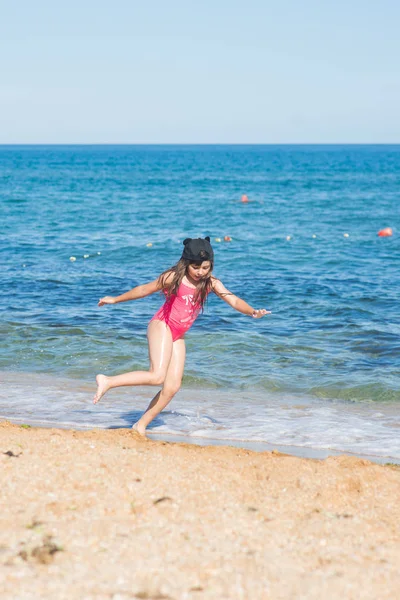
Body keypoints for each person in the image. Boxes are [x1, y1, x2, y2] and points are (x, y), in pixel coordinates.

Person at [94, 237, 270, 436]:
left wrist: (252, 312)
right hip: (162, 325)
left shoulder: (211, 283)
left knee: (172, 387)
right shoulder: (174, 277)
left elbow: (233, 299)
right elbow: (144, 289)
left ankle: (139, 426)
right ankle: (107, 381)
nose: (200, 272)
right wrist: (115, 299)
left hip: (178, 335)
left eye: (205, 267)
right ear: (186, 263)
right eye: (196, 267)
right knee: (157, 376)